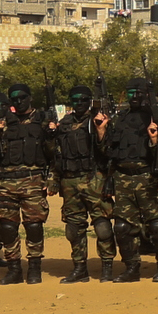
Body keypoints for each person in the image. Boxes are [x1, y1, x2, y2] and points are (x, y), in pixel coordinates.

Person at [0, 82, 53, 285]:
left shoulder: (42, 120)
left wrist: (50, 133)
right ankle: (14, 268)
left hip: (33, 180)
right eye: (14, 99)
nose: (19, 102)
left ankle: (34, 268)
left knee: (34, 226)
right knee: (7, 227)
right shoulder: (2, 121)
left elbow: (53, 153)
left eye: (22, 97)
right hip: (6, 182)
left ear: (30, 97)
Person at [102, 77, 158, 282]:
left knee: (156, 225)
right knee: (122, 227)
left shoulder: (155, 116)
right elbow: (111, 149)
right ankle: (132, 267)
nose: (134, 97)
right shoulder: (121, 117)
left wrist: (155, 139)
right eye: (130, 93)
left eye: (139, 92)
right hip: (122, 178)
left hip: (147, 176)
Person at [46, 85, 108, 283]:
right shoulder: (63, 124)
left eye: (83, 100)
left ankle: (107, 266)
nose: (79, 103)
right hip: (69, 180)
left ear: (90, 101)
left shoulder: (98, 120)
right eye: (75, 100)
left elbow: (107, 150)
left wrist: (101, 130)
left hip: (93, 178)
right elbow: (57, 154)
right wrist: (54, 180)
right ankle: (80, 268)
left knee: (102, 226)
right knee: (73, 228)